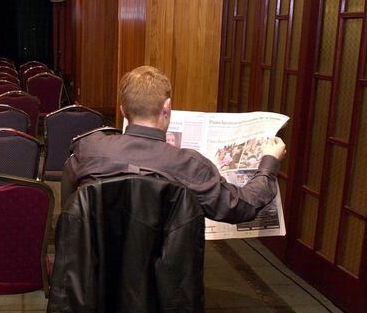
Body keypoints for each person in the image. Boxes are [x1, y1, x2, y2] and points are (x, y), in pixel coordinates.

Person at [62, 65, 286, 223]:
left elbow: (69, 212)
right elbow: (241, 207)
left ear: (122, 110)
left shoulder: (87, 150)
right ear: (167, 107)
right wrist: (269, 164)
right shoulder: (190, 166)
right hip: (165, 284)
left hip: (92, 279)